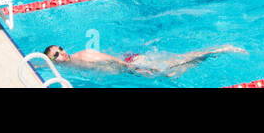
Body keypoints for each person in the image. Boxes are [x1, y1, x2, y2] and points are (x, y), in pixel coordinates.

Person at [41, 43, 246, 78]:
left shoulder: (83, 55)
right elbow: (42, 63)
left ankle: (220, 48)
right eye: (56, 54)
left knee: (176, 63)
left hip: (132, 63)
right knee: (174, 72)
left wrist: (134, 67)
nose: (61, 53)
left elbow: (110, 59)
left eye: (60, 49)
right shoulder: (67, 65)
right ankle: (209, 56)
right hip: (129, 67)